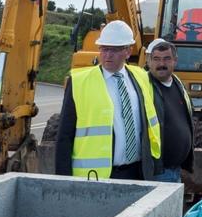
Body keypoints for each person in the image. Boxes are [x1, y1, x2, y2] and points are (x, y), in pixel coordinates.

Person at [55, 20, 161, 180]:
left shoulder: (141, 77)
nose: (107, 55)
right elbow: (64, 136)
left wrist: (154, 166)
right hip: (95, 177)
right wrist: (63, 180)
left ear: (128, 51)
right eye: (104, 49)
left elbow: (150, 126)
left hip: (138, 173)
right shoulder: (79, 82)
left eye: (114, 50)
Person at [145, 38, 193, 182]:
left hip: (176, 169)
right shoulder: (144, 86)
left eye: (166, 59)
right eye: (156, 59)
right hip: (157, 171)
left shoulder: (178, 84)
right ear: (149, 61)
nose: (161, 64)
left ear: (175, 61)